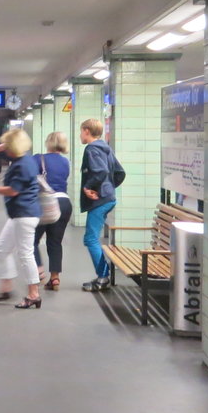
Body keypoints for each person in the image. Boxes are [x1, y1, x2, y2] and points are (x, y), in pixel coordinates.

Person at [0, 128, 42, 309]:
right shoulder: (24, 158)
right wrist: (1, 145)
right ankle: (6, 289)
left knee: (25, 254)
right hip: (19, 214)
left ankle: (34, 295)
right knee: (1, 249)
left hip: (25, 214)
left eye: (7, 144)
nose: (4, 147)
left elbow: (14, 190)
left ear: (13, 147)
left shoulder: (22, 165)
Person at [78, 118, 124, 292]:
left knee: (90, 238)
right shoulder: (106, 148)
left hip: (100, 200)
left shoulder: (91, 149)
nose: (81, 135)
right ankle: (103, 274)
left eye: (81, 131)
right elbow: (120, 172)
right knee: (91, 237)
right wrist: (109, 188)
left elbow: (101, 171)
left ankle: (103, 277)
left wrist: (89, 187)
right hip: (108, 198)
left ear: (87, 131)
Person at [32, 132, 73, 291]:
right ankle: (55, 278)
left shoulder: (38, 159)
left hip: (45, 203)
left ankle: (38, 269)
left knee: (32, 240)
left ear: (48, 142)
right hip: (64, 203)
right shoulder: (65, 162)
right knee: (55, 242)